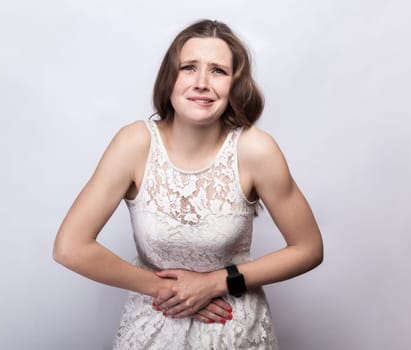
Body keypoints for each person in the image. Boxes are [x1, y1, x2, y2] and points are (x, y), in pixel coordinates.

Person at [53, 19, 323, 349]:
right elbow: (70, 247)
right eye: (189, 68)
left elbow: (308, 248)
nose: (202, 83)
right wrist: (166, 289)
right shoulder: (134, 143)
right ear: (170, 78)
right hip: (154, 321)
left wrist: (216, 283)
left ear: (235, 84)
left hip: (233, 326)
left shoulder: (256, 149)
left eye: (219, 71)